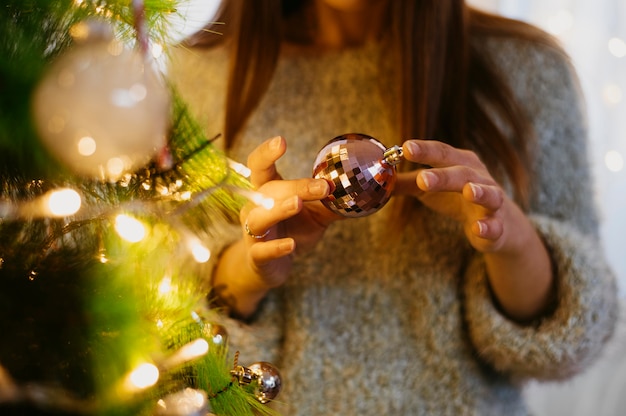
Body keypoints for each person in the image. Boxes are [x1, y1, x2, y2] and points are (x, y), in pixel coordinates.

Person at [169, 1, 618, 414]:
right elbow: (151, 324)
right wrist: (251, 269)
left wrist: (510, 239)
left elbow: (578, 334)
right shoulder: (196, 75)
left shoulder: (527, 69)